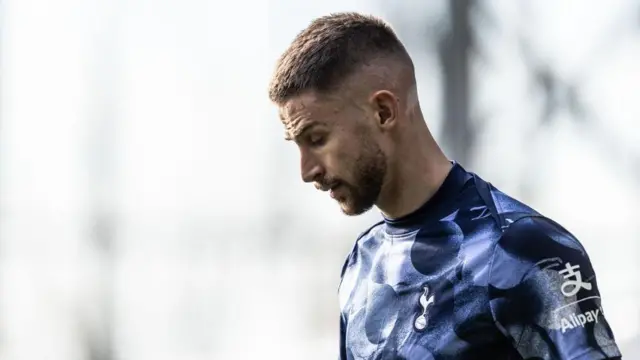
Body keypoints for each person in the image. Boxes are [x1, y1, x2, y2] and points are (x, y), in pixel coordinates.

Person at [268, 12, 622, 360]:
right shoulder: (362, 262)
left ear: (383, 112)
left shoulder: (523, 249)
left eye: (316, 138)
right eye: (296, 145)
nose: (306, 170)